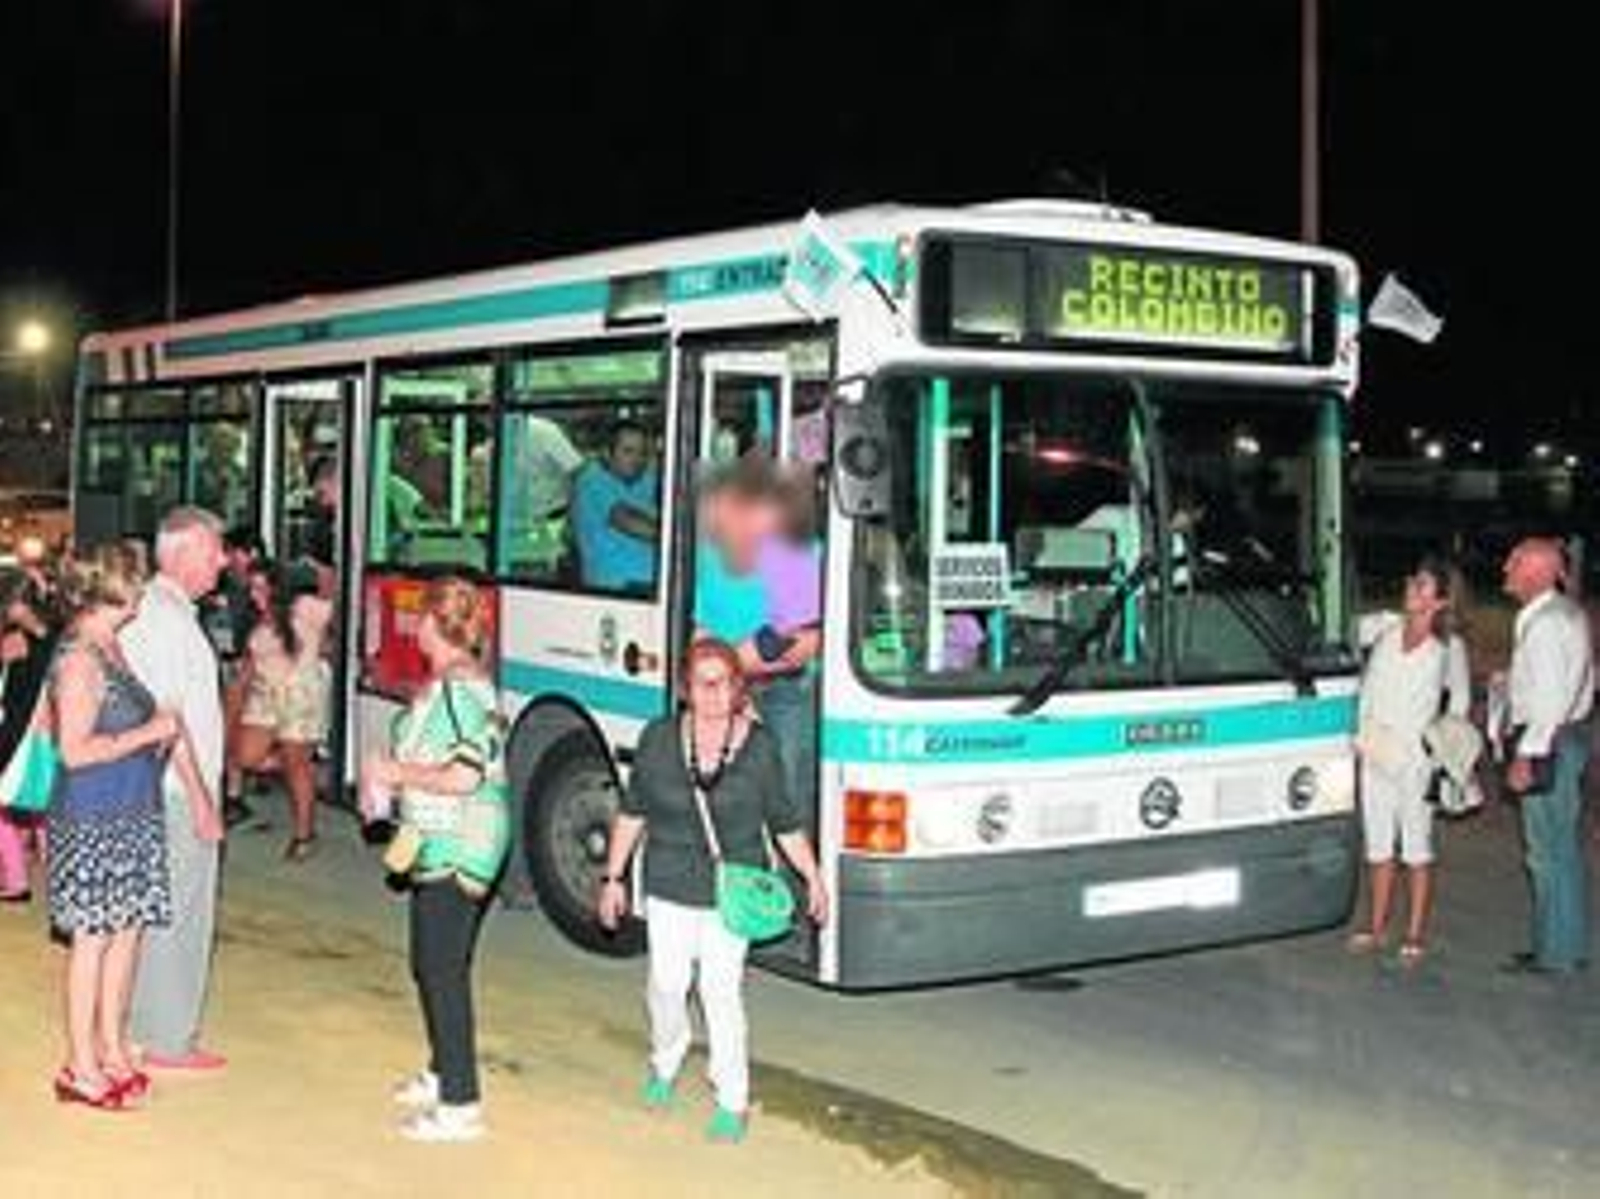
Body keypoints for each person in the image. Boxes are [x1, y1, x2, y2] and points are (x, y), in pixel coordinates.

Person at [596, 638, 828, 1144]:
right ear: (685, 690)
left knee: (720, 992)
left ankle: (732, 1099)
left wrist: (812, 876)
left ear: (740, 689)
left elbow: (784, 821)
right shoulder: (658, 739)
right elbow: (633, 812)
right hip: (668, 883)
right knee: (667, 985)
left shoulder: (760, 747)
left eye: (725, 683)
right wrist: (612, 879)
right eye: (704, 684)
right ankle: (665, 1058)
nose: (715, 694)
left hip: (732, 888)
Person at [47, 544, 214, 1110]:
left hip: (132, 809)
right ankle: (81, 1065)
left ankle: (114, 1048)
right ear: (109, 591)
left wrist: (155, 735)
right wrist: (148, 735)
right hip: (94, 816)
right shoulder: (79, 659)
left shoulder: (110, 646)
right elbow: (72, 750)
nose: (142, 591)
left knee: (127, 935)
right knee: (93, 943)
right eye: (134, 583)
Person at [360, 577, 509, 1143]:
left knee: (441, 968)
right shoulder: (455, 684)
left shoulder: (461, 693)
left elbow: (462, 776)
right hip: (442, 838)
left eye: (420, 616)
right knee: (436, 961)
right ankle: (444, 1068)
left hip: (459, 842)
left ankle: (460, 1103)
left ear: (432, 625)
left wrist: (394, 775)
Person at [122, 507, 229, 1070]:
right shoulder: (164, 618)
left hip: (163, 786)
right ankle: (167, 1037)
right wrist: (204, 800)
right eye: (214, 550)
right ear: (182, 551)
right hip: (175, 790)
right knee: (180, 913)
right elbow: (170, 718)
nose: (223, 560)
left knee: (162, 910)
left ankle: (151, 1023)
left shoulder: (165, 612)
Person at [1347, 557, 1470, 965]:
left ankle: (1415, 932)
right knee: (1378, 844)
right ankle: (1376, 925)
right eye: (1412, 581)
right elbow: (1339, 629)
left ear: (1440, 601)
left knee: (1416, 847)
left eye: (1421, 585)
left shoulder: (1448, 648)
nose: (1411, 588)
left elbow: (1461, 705)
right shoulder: (1384, 626)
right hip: (1373, 749)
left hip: (1415, 761)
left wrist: (1443, 751)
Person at [694, 459, 823, 813]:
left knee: (787, 791)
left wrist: (732, 670)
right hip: (722, 688)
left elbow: (800, 638)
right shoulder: (705, 553)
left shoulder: (800, 551)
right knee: (725, 792)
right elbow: (694, 625)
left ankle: (786, 869)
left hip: (784, 691)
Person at [1498, 537, 1594, 975]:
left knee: (1547, 852)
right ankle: (1560, 945)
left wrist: (1527, 756)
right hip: (1563, 739)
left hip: (1548, 742)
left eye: (1515, 562)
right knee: (1560, 850)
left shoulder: (1548, 623)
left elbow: (1551, 700)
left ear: (1537, 571)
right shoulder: (1560, 615)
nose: (1506, 569)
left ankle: (1555, 953)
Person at [231, 563, 333, 861]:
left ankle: (304, 835)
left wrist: (324, 572)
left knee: (296, 766)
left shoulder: (303, 607)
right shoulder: (254, 616)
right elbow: (249, 662)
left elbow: (337, 598)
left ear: (279, 588)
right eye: (252, 587)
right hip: (265, 695)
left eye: (262, 587)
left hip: (302, 695)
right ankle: (298, 762)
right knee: (245, 756)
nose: (255, 594)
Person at [571, 420, 659, 592]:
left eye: (643, 452)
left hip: (653, 585)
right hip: (617, 589)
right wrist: (678, 539)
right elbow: (627, 521)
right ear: (607, 453)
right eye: (628, 451)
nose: (637, 459)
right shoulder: (592, 480)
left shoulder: (645, 478)